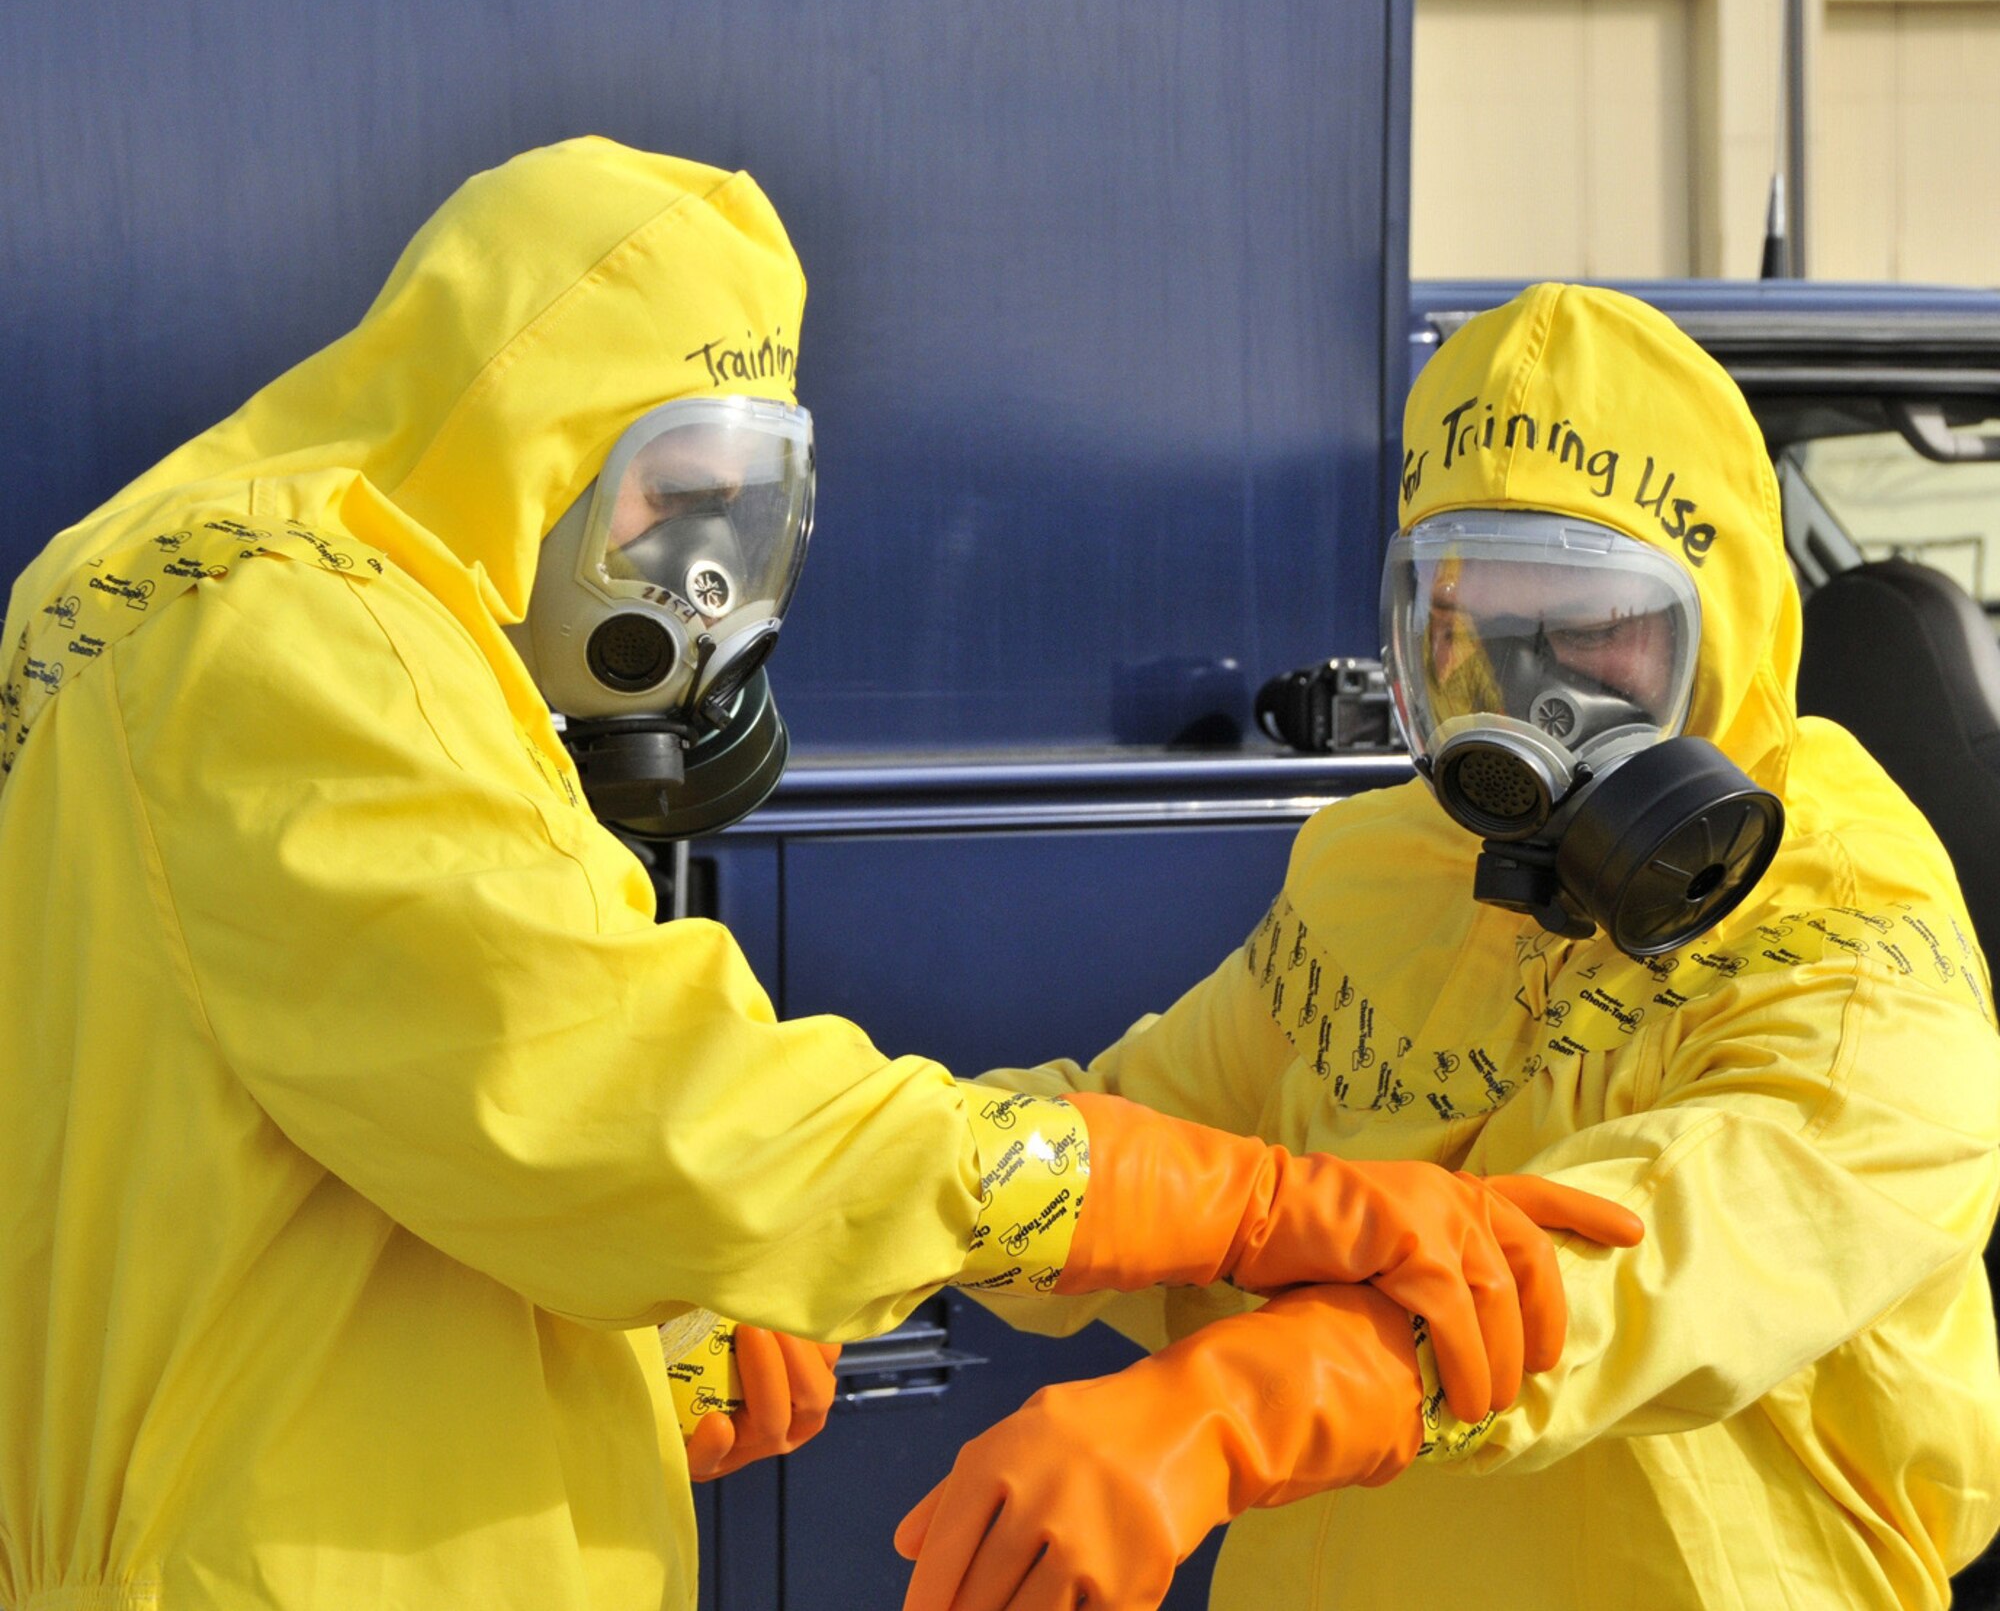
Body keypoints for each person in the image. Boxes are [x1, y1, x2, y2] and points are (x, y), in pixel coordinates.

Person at [0, 143, 1638, 1611]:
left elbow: (329, 1163)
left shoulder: (182, 593)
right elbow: (637, 1102)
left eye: (740, 515)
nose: (698, 585)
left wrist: (622, 1358)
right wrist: (1248, 1199)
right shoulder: (300, 627)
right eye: (673, 500)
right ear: (532, 424)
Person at [898, 283, 2000, 1611]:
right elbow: (1135, 1138)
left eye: (1595, 636)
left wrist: (1247, 1401)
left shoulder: (1853, 935)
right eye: (1476, 637)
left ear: (1724, 626)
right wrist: (844, 1235)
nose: (1536, 711)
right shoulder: (1380, 870)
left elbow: (1654, 1266)